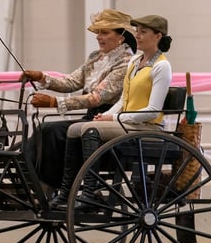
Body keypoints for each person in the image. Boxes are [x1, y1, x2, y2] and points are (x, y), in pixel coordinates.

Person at [49, 14, 174, 210]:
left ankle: (91, 192)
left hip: (147, 127)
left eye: (144, 32)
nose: (138, 36)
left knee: (91, 130)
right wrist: (107, 116)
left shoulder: (161, 66)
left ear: (158, 36)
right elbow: (124, 99)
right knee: (74, 129)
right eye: (137, 31)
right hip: (126, 122)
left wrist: (114, 117)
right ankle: (66, 192)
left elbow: (152, 111)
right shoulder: (135, 62)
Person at [20, 9, 137, 191]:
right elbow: (72, 81)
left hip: (106, 120)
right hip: (90, 118)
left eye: (104, 32)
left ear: (121, 36)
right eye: (97, 32)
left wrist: (55, 103)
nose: (98, 37)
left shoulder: (126, 63)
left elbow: (97, 98)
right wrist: (42, 77)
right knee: (43, 132)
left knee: (49, 130)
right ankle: (28, 176)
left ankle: (46, 185)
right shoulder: (95, 57)